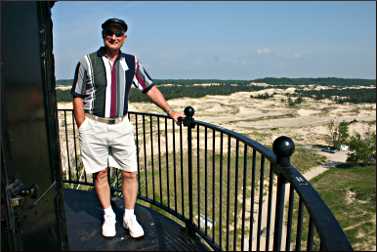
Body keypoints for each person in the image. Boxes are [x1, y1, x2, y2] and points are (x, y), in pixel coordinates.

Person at [71, 18, 183, 238]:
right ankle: (109, 215)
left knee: (130, 172)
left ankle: (129, 216)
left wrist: (170, 111)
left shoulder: (132, 62)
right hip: (94, 125)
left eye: (118, 34)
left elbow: (149, 88)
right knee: (100, 173)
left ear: (124, 38)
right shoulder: (87, 61)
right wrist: (82, 126)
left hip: (121, 126)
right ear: (103, 35)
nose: (113, 37)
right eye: (109, 33)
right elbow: (77, 95)